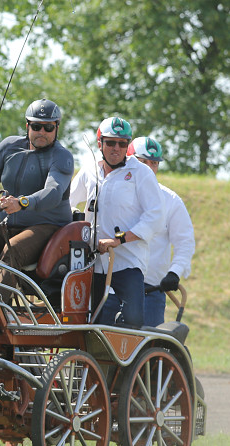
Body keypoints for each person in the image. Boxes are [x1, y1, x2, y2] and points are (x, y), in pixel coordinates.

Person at [68, 118, 165, 328]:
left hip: (128, 262)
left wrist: (118, 240)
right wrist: (76, 222)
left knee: (133, 320)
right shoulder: (89, 170)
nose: (117, 148)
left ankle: (123, 356)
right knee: (87, 322)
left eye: (123, 143)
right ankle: (90, 360)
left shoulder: (141, 173)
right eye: (111, 142)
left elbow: (156, 217)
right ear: (99, 143)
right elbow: (66, 202)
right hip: (91, 261)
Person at [0, 99, 75, 273]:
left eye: (48, 128)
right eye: (36, 127)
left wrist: (22, 203)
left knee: (12, 249)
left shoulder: (61, 156)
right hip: (9, 225)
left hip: (48, 227)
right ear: (27, 126)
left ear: (57, 128)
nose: (42, 132)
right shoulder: (9, 147)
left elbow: (53, 192)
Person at [127, 136, 195, 326]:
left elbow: (185, 242)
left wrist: (174, 272)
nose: (149, 168)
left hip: (151, 290)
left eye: (154, 163)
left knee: (149, 350)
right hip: (112, 288)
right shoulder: (113, 192)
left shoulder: (171, 200)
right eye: (142, 162)